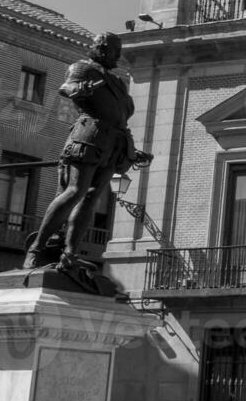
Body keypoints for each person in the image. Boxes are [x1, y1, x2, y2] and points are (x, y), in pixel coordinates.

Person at [23, 32, 152, 272]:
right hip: (89, 136)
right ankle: (36, 249)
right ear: (103, 49)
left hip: (113, 144)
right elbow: (67, 86)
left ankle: (70, 253)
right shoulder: (84, 68)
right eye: (116, 51)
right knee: (75, 191)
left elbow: (120, 119)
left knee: (92, 198)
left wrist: (132, 151)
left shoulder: (117, 83)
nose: (118, 56)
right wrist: (78, 90)